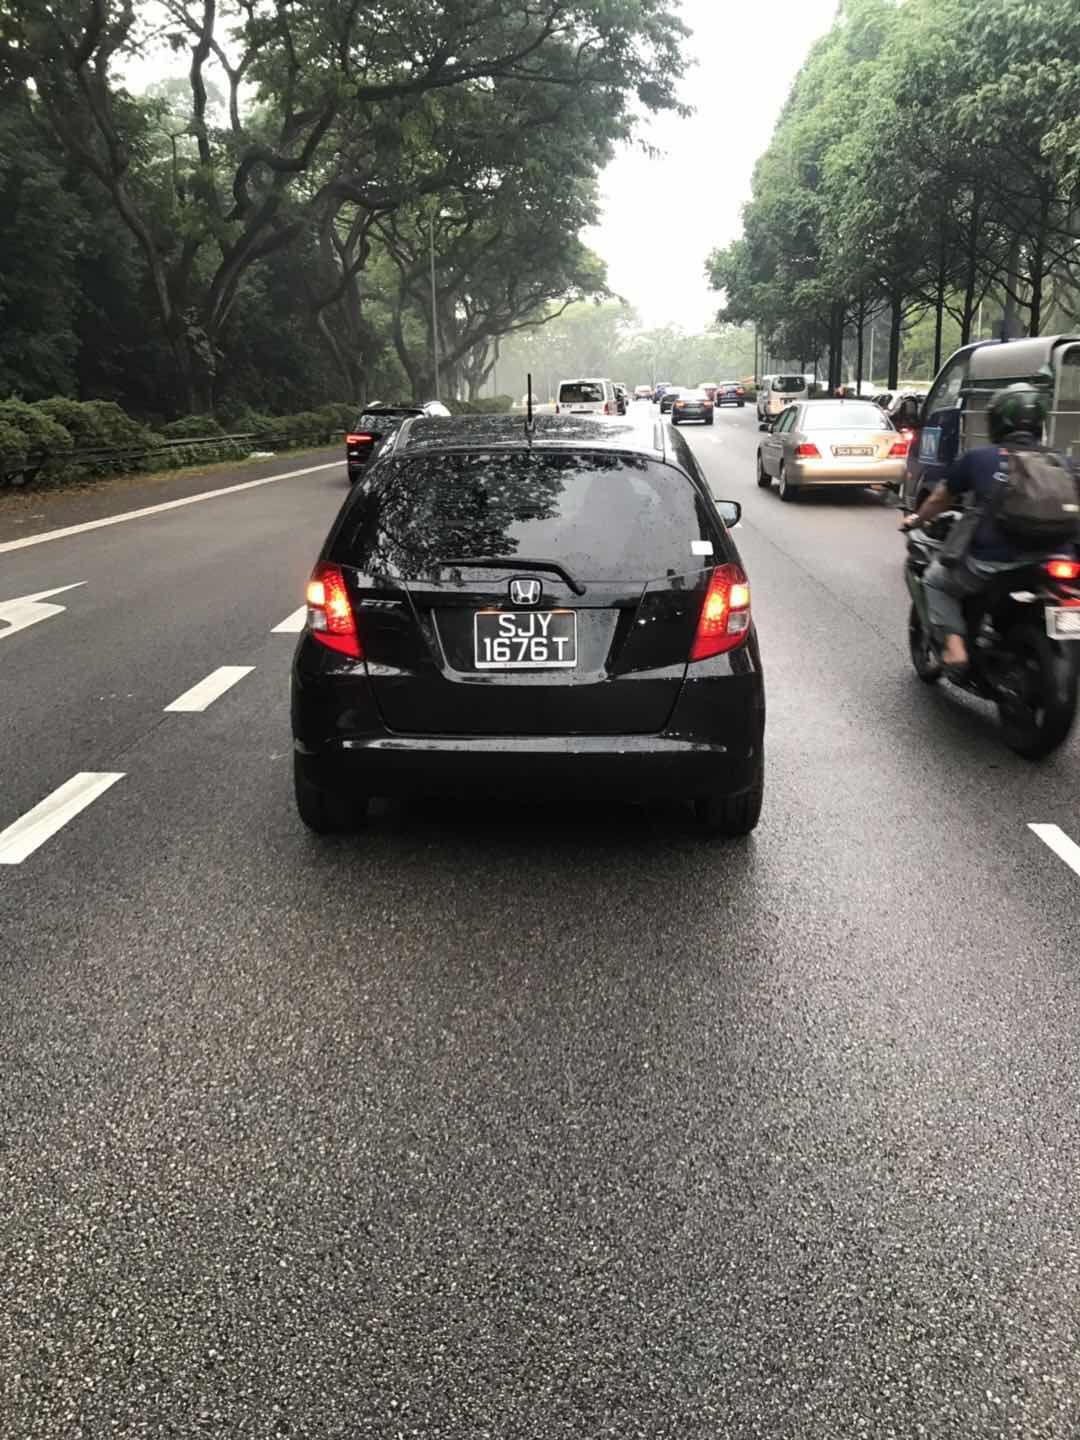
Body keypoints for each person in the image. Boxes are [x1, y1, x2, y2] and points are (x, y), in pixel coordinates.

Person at [899, 384, 1075, 671]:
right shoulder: (1062, 461)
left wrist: (915, 519)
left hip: (992, 562)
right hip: (1057, 560)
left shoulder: (978, 458)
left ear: (997, 421)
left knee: (935, 581)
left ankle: (955, 647)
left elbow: (940, 499)